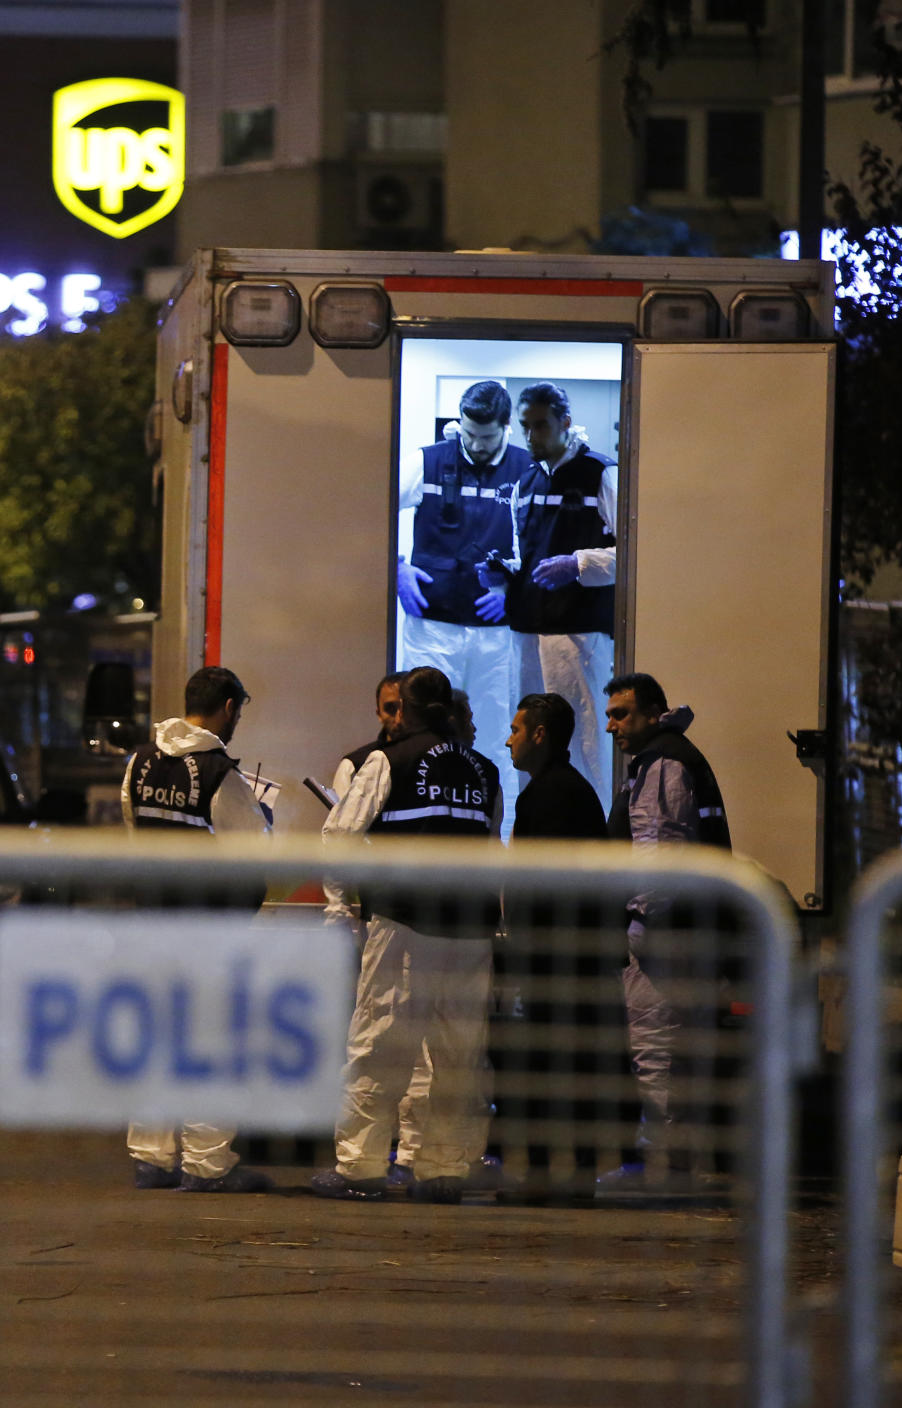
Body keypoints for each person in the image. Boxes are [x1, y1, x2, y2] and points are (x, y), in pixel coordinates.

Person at [312, 666, 502, 1205]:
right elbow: (490, 851)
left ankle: (360, 1167)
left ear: (409, 710)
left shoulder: (387, 760)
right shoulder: (484, 770)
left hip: (404, 923)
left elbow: (340, 835)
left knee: (379, 1044)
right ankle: (442, 1169)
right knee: (458, 1054)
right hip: (469, 931)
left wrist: (341, 907)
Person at [121, 665, 273, 1194]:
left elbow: (136, 831)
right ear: (227, 708)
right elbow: (252, 854)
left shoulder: (138, 763)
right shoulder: (218, 773)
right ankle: (207, 1163)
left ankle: (152, 1157)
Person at [602, 671, 731, 1187]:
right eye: (609, 715)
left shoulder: (661, 763)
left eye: (622, 715)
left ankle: (664, 1168)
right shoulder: (676, 755)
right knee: (686, 1053)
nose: (612, 726)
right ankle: (685, 1165)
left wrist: (641, 923)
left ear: (653, 713)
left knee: (657, 1050)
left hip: (665, 935)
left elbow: (659, 852)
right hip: (694, 930)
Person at [499, 692, 616, 1202]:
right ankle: (580, 1175)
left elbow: (534, 885)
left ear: (540, 735)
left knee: (545, 1068)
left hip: (555, 958)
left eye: (517, 729)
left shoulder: (544, 795)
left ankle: (546, 1177)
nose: (509, 739)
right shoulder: (578, 790)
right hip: (583, 955)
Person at [480, 382, 617, 805]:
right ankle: (532, 837)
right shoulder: (525, 479)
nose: (530, 435)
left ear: (565, 423)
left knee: (583, 743)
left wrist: (576, 565)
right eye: (525, 426)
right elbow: (531, 555)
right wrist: (504, 574)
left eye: (540, 426)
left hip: (578, 634)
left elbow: (636, 553)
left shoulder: (601, 473)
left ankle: (590, 842)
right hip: (525, 632)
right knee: (526, 743)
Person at [397, 380, 530, 816]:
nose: (475, 444)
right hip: (431, 627)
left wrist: (514, 592)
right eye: (468, 433)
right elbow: (363, 508)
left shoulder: (528, 471)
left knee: (496, 737)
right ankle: (420, 821)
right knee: (422, 730)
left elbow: (544, 547)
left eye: (486, 436)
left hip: (498, 636)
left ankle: (499, 839)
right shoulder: (428, 461)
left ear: (507, 427)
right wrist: (396, 568)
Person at [331, 670, 406, 801]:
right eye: (390, 708)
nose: (399, 717)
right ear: (379, 714)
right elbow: (340, 820)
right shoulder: (353, 765)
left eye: (406, 708)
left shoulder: (437, 760)